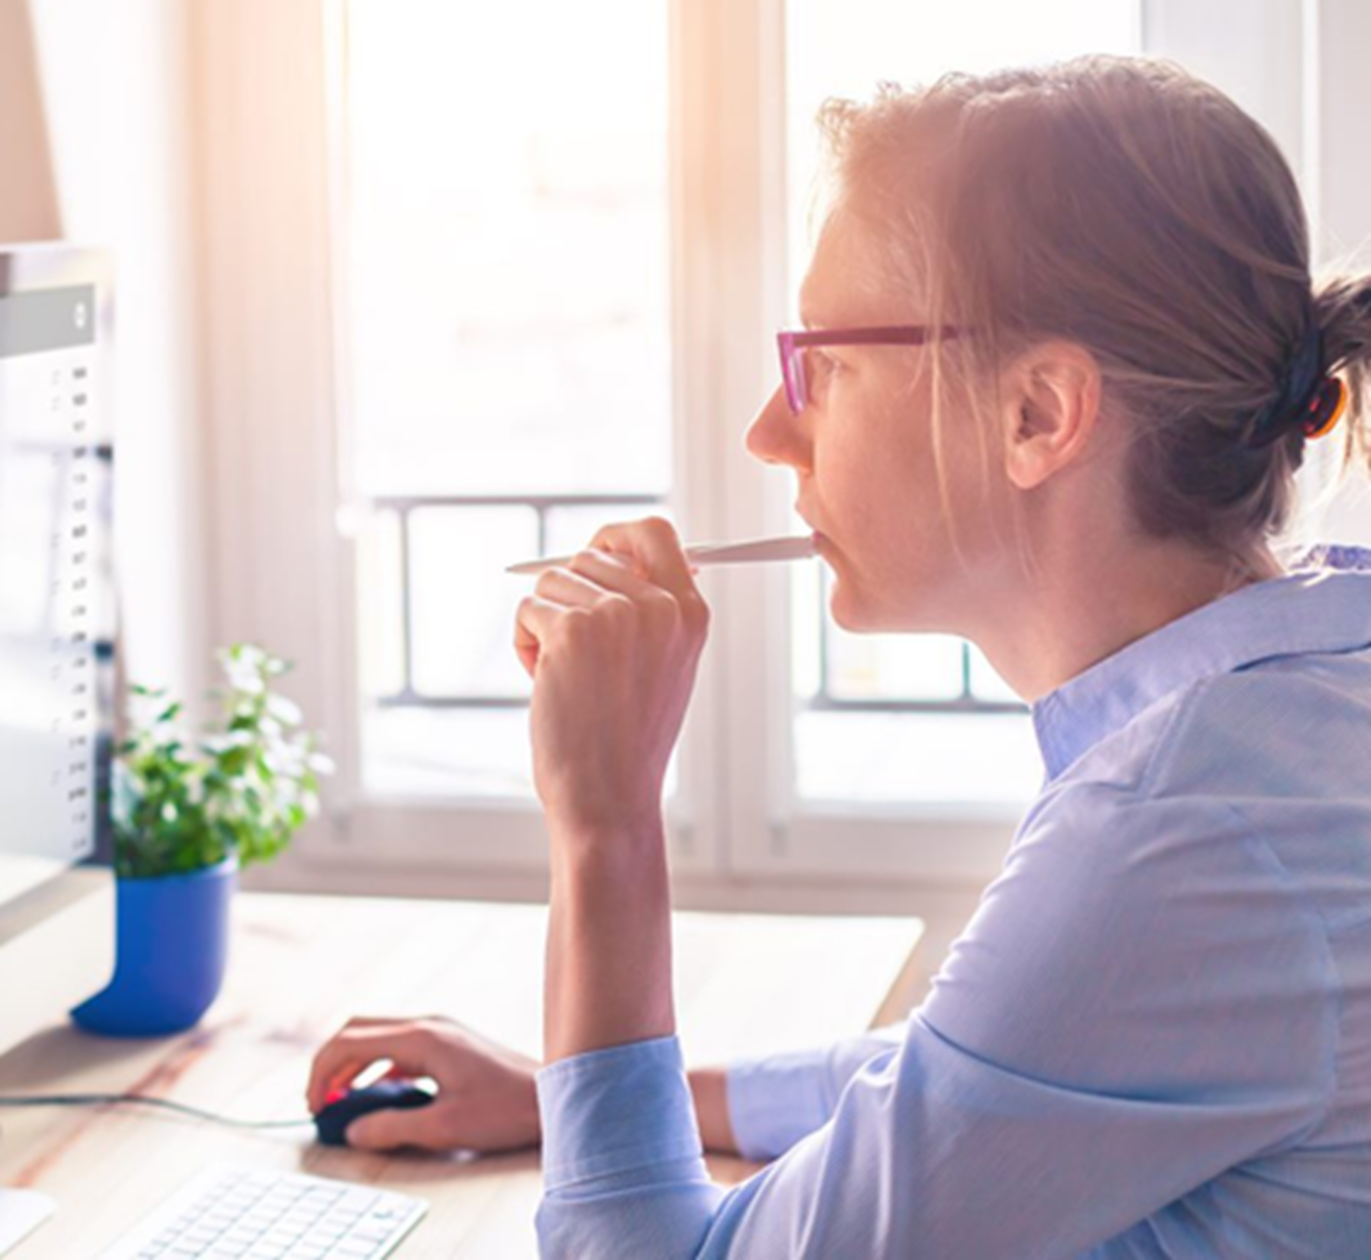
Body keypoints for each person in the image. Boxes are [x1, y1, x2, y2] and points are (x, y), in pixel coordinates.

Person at [307, 53, 1371, 1256]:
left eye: (826, 366)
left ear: (1039, 414)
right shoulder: (1298, 714)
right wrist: (572, 1097)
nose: (770, 433)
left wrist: (604, 824)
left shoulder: (1179, 830)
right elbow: (988, 1077)